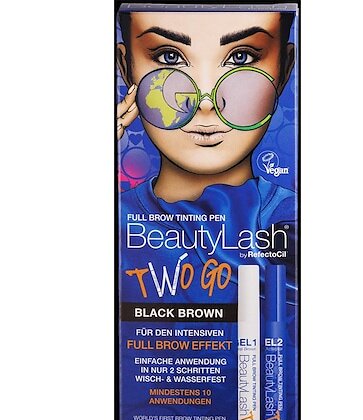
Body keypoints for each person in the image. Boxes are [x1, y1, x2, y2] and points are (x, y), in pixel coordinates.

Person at [116, 8, 297, 304]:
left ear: (284, 69)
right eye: (169, 57)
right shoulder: (117, 223)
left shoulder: (291, 222)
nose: (206, 102)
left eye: (242, 57)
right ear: (126, 68)